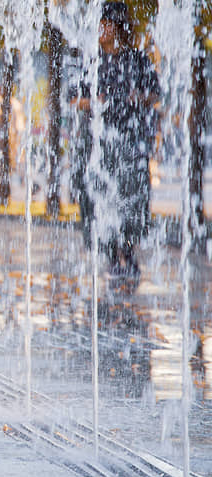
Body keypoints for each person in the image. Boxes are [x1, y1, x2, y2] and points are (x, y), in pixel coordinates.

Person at [71, 1, 159, 280]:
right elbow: (74, 99)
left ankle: (129, 254)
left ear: (118, 27)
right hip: (99, 143)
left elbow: (155, 94)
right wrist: (94, 102)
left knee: (132, 198)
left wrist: (137, 98)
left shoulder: (137, 59)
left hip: (130, 142)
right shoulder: (92, 60)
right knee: (97, 196)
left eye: (105, 23)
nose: (99, 29)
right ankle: (111, 257)